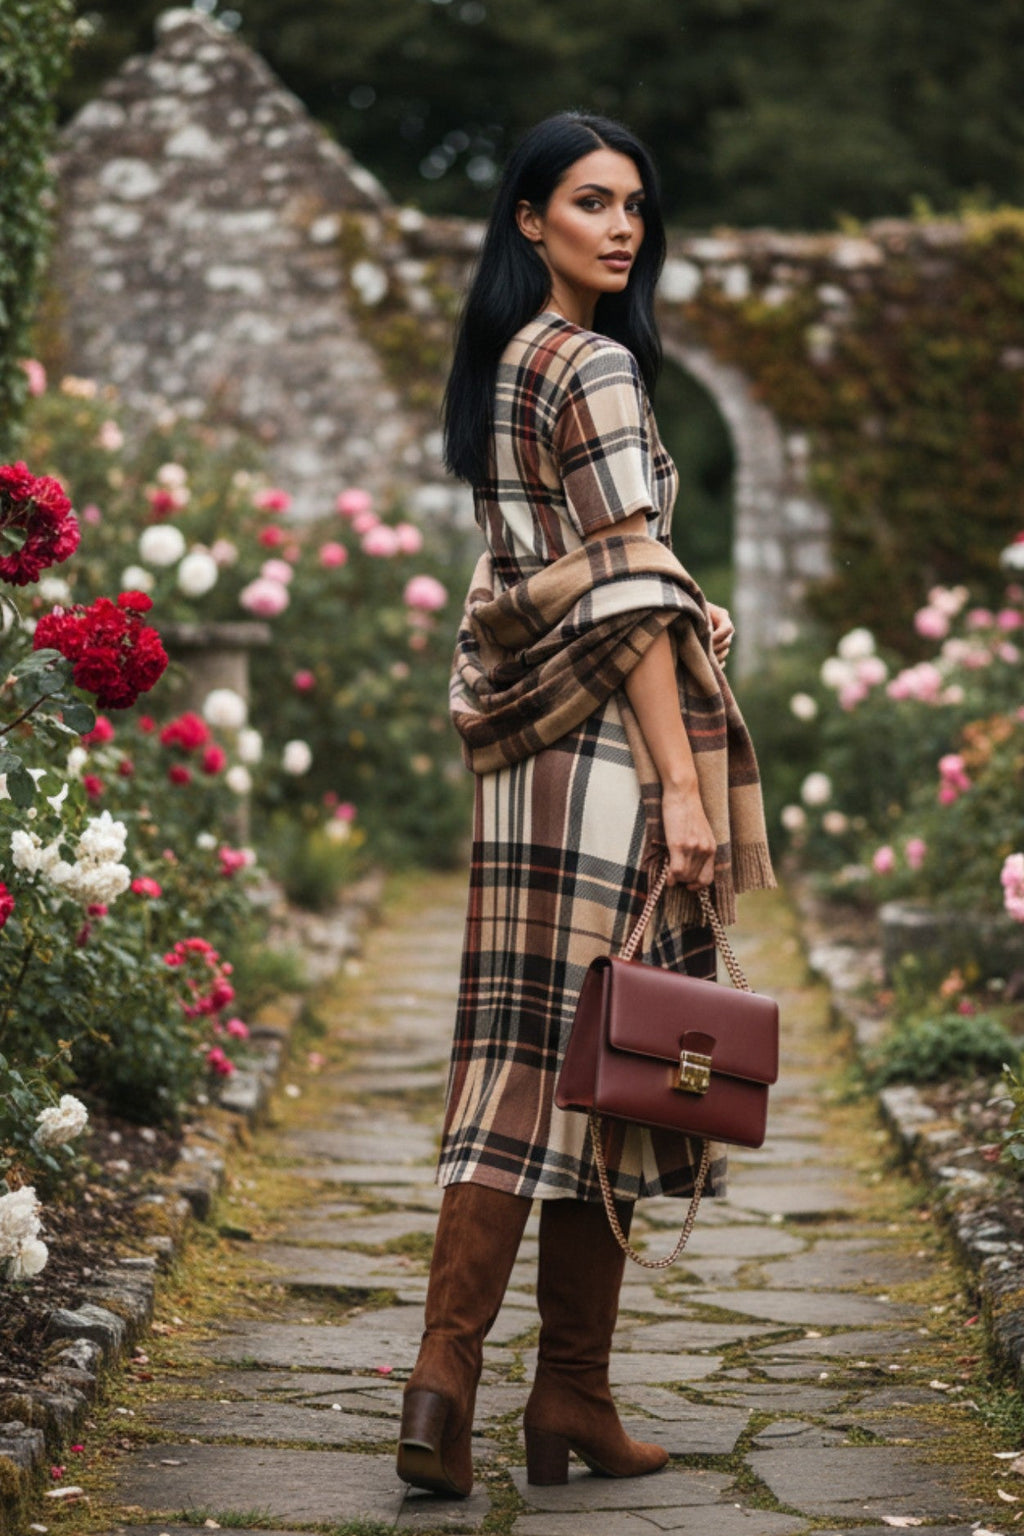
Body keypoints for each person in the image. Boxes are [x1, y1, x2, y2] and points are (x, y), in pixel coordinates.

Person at [396, 111, 774, 1499]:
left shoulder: (504, 365)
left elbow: (558, 569)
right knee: (618, 1064)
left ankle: (457, 1386)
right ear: (528, 220)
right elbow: (628, 591)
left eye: (634, 207)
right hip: (613, 753)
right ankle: (569, 1391)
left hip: (521, 769)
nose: (621, 228)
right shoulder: (595, 361)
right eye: (591, 203)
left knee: (518, 1057)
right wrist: (682, 788)